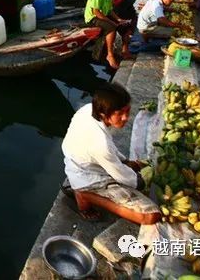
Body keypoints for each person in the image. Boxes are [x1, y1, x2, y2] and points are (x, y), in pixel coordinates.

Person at [62, 83, 160, 224]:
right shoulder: (100, 144)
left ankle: (79, 188)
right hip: (88, 177)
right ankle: (84, 194)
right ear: (103, 114)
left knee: (131, 164)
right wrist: (141, 181)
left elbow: (108, 151)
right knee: (151, 217)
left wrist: (128, 162)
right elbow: (124, 177)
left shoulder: (87, 109)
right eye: (120, 114)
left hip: (78, 161)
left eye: (127, 111)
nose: (126, 117)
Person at [84, 0, 132, 69]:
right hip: (93, 18)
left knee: (126, 26)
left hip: (103, 16)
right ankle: (109, 55)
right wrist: (111, 22)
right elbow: (96, 12)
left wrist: (119, 19)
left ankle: (124, 50)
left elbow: (110, 11)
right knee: (111, 28)